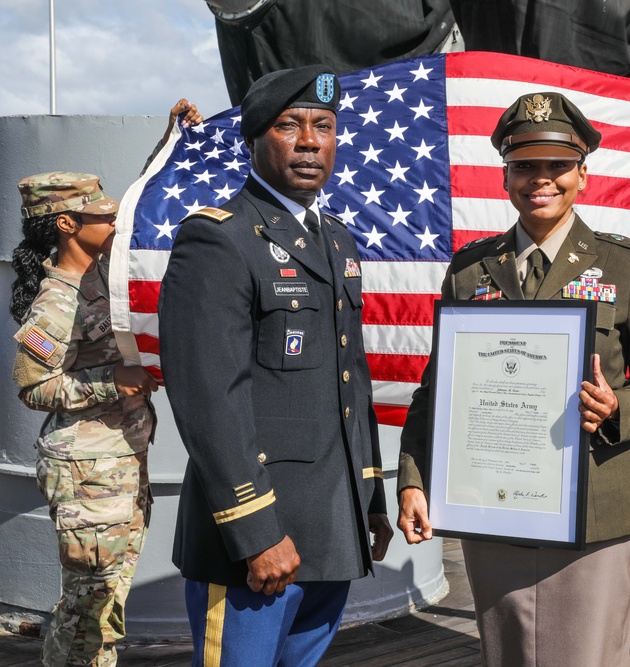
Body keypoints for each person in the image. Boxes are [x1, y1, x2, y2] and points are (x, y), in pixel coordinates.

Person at [396, 91, 630, 667]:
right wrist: (412, 478)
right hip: (493, 508)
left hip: (593, 511)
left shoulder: (622, 264)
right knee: (506, 655)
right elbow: (437, 390)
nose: (541, 179)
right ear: (505, 175)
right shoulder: (470, 268)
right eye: (525, 165)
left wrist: (617, 407)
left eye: (557, 166)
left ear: (583, 173)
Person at [157, 65, 393, 666]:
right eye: (290, 125)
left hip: (329, 529)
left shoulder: (336, 239)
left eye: (324, 125)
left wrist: (369, 499)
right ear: (255, 137)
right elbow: (211, 397)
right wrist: (256, 530)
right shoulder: (220, 238)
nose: (311, 140)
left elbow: (350, 381)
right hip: (254, 542)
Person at [10, 173, 159, 666]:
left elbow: (137, 208)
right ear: (68, 224)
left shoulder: (98, 271)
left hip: (117, 463)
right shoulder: (56, 301)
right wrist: (112, 380)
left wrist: (170, 138)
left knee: (106, 603)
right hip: (87, 475)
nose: (115, 220)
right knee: (89, 609)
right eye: (103, 215)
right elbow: (32, 387)